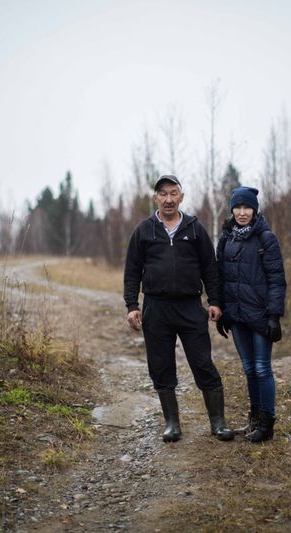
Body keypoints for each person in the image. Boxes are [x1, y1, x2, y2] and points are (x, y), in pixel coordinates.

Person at [124, 175, 234, 443]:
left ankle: (218, 423)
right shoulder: (143, 230)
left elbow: (210, 267)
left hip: (189, 307)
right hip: (156, 308)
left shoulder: (195, 228)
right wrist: (132, 305)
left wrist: (215, 301)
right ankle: (172, 423)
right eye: (163, 194)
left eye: (174, 193)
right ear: (156, 199)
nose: (169, 199)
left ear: (181, 197)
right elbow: (132, 270)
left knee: (202, 363)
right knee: (160, 365)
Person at [215, 186, 286, 443]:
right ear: (232, 209)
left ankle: (267, 424)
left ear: (255, 210)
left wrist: (274, 316)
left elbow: (277, 279)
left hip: (260, 315)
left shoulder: (265, 238)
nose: (242, 212)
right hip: (236, 315)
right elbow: (221, 277)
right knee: (248, 368)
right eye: (238, 207)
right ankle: (254, 420)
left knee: (262, 368)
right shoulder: (226, 238)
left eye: (247, 208)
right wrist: (222, 311)